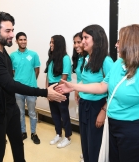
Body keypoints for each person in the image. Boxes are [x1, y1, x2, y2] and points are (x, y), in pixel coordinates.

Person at [56, 24, 139, 162]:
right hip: (113, 125)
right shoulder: (119, 64)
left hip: (133, 130)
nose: (116, 44)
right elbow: (102, 86)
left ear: (132, 44)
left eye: (119, 41)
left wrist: (134, 110)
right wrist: (73, 87)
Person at [0, 12, 66, 162]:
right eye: (8, 31)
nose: (12, 34)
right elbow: (10, 84)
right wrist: (45, 92)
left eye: (12, 30)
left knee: (18, 144)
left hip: (11, 107)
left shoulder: (1, 48)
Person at [60, 25, 113, 162]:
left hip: (97, 107)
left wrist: (103, 110)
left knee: (95, 146)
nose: (82, 41)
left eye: (85, 38)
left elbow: (113, 90)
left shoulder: (106, 61)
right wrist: (73, 88)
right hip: (84, 105)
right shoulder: (86, 59)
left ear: (96, 39)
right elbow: (85, 81)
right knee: (85, 144)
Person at [10, 32, 41, 144]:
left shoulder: (33, 54)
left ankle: (34, 133)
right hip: (18, 90)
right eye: (21, 40)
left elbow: (37, 70)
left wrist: (31, 82)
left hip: (31, 89)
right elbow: (13, 72)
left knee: (32, 113)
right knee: (20, 113)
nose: (23, 41)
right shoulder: (12, 56)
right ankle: (23, 132)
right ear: (16, 41)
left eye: (25, 39)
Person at [45, 35, 72, 148]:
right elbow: (48, 75)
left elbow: (64, 77)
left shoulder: (65, 58)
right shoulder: (51, 57)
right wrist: (47, 91)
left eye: (53, 42)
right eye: (50, 42)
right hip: (51, 87)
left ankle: (68, 137)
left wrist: (55, 92)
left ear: (58, 44)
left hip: (62, 88)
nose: (51, 44)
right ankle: (58, 134)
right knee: (55, 113)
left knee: (63, 112)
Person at [72, 32, 88, 162]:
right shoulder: (79, 58)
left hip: (90, 97)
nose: (76, 45)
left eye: (79, 42)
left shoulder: (91, 58)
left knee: (89, 130)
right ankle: (86, 151)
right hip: (80, 95)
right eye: (75, 42)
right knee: (82, 127)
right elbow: (79, 79)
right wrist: (76, 91)